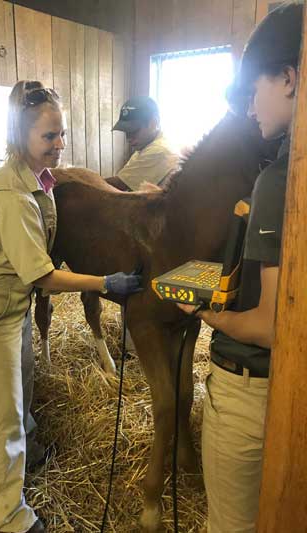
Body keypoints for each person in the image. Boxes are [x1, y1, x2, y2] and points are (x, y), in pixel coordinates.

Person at [0, 80, 142, 533]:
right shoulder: (12, 198)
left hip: (13, 302)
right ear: (21, 136)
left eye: (62, 134)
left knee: (21, 383)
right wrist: (105, 282)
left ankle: (29, 450)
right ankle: (8, 513)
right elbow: (43, 275)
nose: (59, 144)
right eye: (48, 136)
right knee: (0, 410)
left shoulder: (39, 180)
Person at [176, 3, 303, 532]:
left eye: (254, 91)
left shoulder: (278, 179)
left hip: (250, 387)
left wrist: (211, 316)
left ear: (289, 79)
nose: (249, 108)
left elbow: (272, 327)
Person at [109, 96, 180, 191]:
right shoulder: (145, 146)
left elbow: (120, 184)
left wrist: (88, 180)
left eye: (134, 131)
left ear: (154, 123)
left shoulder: (159, 150)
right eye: (126, 132)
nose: (128, 138)